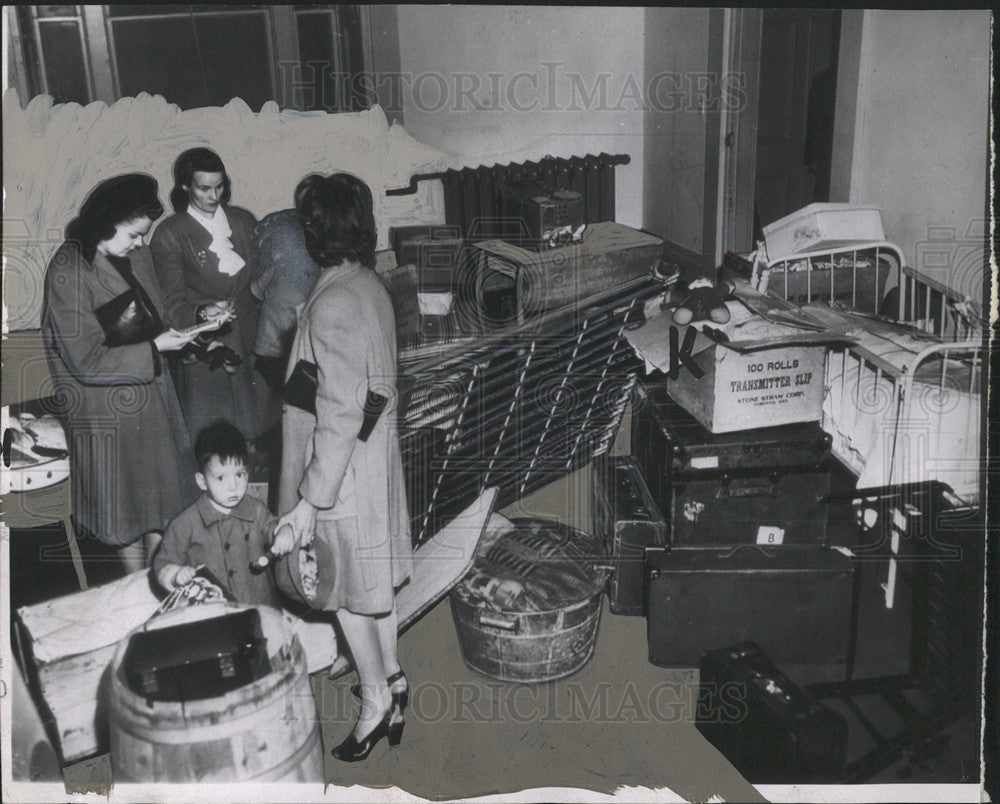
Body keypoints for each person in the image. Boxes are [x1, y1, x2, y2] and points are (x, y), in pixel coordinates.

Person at [271, 173, 413, 762]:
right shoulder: (366, 284)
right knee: (373, 587)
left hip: (341, 476)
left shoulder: (331, 304)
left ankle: (377, 702)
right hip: (371, 460)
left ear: (314, 234)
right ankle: (395, 680)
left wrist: (309, 499)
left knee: (350, 596)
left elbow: (336, 411)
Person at [41, 173, 208, 572]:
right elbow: (85, 360)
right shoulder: (69, 269)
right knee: (126, 519)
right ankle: (136, 592)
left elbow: (162, 309)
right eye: (134, 234)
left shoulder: (135, 254)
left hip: (152, 405)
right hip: (108, 414)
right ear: (105, 222)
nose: (139, 243)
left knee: (162, 508)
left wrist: (200, 318)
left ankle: (157, 587)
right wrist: (154, 348)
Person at [149, 147, 279, 442]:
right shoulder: (170, 233)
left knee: (258, 439)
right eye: (204, 188)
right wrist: (202, 312)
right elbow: (170, 306)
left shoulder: (244, 221)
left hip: (250, 347)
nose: (214, 195)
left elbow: (259, 281)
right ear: (185, 186)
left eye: (219, 186)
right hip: (204, 358)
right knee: (213, 446)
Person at [153, 420, 281, 608]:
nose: (233, 486)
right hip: (212, 610)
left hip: (259, 601)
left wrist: (282, 532)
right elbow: (163, 561)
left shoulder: (256, 509)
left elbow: (272, 528)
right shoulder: (185, 523)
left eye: (240, 474)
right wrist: (175, 575)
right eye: (221, 477)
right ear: (202, 481)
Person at [249, 178, 325, 387]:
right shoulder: (286, 235)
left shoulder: (311, 240)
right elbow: (256, 290)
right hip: (279, 348)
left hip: (285, 346)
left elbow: (256, 291)